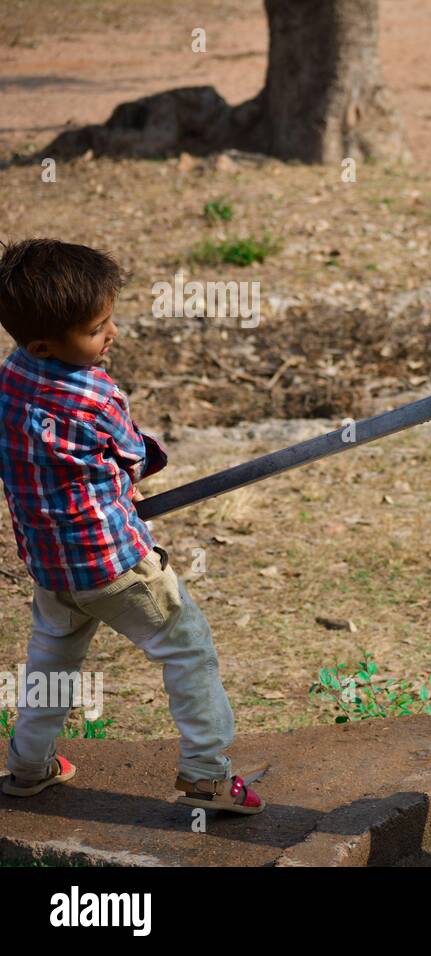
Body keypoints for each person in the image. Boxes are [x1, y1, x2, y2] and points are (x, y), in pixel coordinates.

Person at [0, 238, 263, 814]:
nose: (111, 334)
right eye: (97, 329)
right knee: (186, 648)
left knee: (51, 662)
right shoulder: (93, 394)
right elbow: (132, 457)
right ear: (48, 342)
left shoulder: (11, 376)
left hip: (49, 563)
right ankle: (206, 773)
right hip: (114, 561)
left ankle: (26, 769)